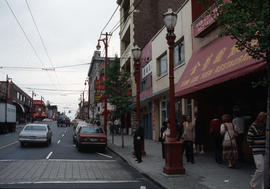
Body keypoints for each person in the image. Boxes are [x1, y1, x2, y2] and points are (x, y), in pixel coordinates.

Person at [247, 112, 266, 189]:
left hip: (265, 150)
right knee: (261, 169)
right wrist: (253, 146)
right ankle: (253, 184)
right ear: (262, 118)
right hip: (257, 150)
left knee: (265, 170)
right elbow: (249, 139)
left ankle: (264, 186)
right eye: (265, 119)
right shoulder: (253, 127)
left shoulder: (265, 126)